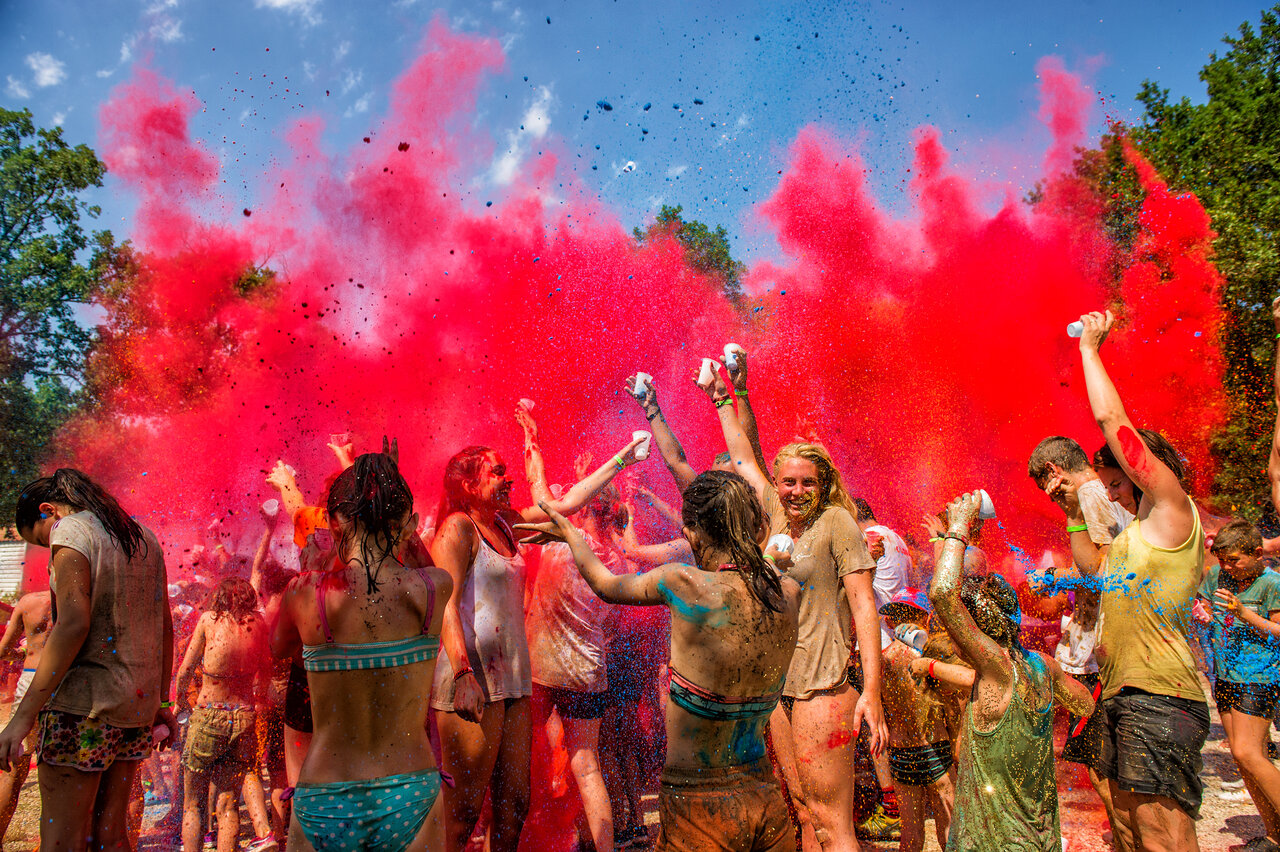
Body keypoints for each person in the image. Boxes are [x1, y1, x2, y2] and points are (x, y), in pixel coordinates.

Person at [515, 469, 802, 852]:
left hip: (698, 804)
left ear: (695, 532)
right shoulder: (787, 592)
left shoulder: (683, 584)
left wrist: (569, 533)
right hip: (764, 797)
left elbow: (604, 584)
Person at [430, 423, 647, 852]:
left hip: (514, 684)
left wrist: (622, 458)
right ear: (469, 485)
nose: (508, 478)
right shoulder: (458, 528)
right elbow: (446, 605)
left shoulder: (507, 525)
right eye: (497, 472)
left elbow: (567, 503)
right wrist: (460, 674)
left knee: (513, 807)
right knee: (464, 812)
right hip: (471, 682)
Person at [704, 358, 886, 852]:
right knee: (804, 811)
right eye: (789, 482)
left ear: (823, 485)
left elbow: (865, 608)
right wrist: (723, 397)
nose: (796, 492)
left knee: (832, 821)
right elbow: (743, 456)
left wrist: (871, 692)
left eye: (808, 483)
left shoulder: (838, 525)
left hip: (823, 690)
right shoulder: (777, 517)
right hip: (781, 691)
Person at [1072, 310, 1211, 852]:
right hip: (1124, 693)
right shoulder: (1135, 534)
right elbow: (1095, 574)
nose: (1110, 493)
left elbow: (1113, 423)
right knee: (1129, 830)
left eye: (1115, 481)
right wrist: (1073, 512)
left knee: (1163, 836)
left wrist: (1089, 350)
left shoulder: (1173, 510)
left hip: (1163, 698)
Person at [272, 452, 451, 852]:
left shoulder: (304, 593)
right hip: (411, 790)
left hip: (325, 794)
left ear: (333, 524)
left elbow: (279, 648)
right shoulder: (435, 588)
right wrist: (395, 500)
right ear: (408, 522)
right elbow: (425, 563)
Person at [0, 468, 175, 850]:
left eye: (41, 539)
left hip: (82, 711)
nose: (50, 551)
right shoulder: (142, 536)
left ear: (48, 511)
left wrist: (22, 719)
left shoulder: (70, 529)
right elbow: (164, 628)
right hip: (135, 711)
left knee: (64, 841)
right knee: (111, 839)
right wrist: (162, 701)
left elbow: (72, 624)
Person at [928, 491, 1095, 851]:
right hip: (1038, 839)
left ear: (974, 631)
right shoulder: (1042, 666)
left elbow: (942, 594)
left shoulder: (995, 666)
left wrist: (956, 528)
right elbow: (1085, 705)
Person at [522, 408, 626, 852]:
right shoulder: (617, 561)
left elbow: (540, 495)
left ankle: (543, 840)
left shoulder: (564, 543)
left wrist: (534, 439)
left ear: (582, 510)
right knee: (587, 768)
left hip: (541, 673)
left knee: (533, 760)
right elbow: (617, 624)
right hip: (588, 674)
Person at [1029, 434, 1135, 852]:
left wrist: (1061, 573)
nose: (1048, 495)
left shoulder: (1090, 494)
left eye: (1045, 485)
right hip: (1110, 644)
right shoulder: (1111, 493)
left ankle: (1128, 841)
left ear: (1054, 472)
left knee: (1099, 763)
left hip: (1093, 654)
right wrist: (1061, 578)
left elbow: (1101, 572)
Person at [174, 577, 275, 852]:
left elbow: (184, 671)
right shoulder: (258, 624)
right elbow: (267, 670)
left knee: (193, 804)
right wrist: (259, 697)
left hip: (208, 715)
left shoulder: (208, 619)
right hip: (243, 716)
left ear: (218, 597)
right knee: (228, 803)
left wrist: (179, 703)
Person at [1197, 520, 1280, 851]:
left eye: (1234, 560)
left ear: (1258, 554)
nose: (1226, 567)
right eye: (1222, 560)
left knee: (1248, 751)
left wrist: (1245, 613)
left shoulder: (1271, 583)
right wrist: (1202, 611)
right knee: (1246, 758)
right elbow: (1203, 602)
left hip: (1258, 677)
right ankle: (1274, 835)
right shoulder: (1218, 576)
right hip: (1226, 676)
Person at [877, 590, 954, 852]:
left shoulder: (883, 659)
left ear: (890, 621)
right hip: (934, 747)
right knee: (949, 827)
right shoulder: (931, 658)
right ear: (925, 617)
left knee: (910, 832)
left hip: (901, 752)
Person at [0, 590, 51, 840]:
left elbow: (3, 650)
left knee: (14, 766)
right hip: (65, 680)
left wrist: (21, 654)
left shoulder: (28, 602)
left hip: (30, 677)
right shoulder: (80, 597)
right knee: (60, 767)